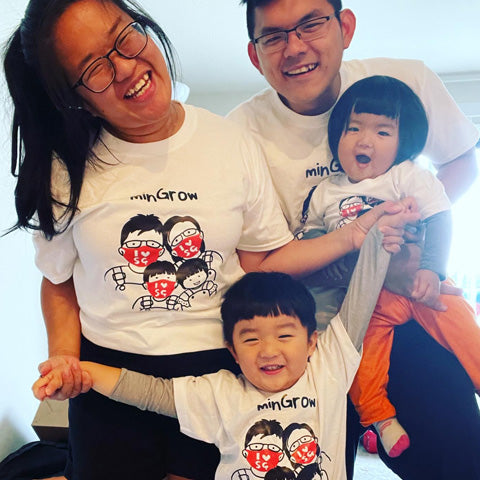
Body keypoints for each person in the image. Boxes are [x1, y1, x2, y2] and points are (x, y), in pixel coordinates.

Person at [4, 1, 406, 479]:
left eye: (124, 37)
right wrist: (65, 357)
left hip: (218, 373)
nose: (124, 67)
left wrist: (354, 235)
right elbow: (58, 280)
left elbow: (264, 262)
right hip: (109, 379)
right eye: (93, 68)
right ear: (75, 97)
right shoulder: (64, 169)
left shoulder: (231, 142)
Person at [228, 1, 480, 478]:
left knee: (455, 453)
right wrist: (354, 251)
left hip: (405, 309)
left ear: (345, 27)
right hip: (313, 327)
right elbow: (257, 262)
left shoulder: (403, 84)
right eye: (274, 36)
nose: (295, 47)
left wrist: (416, 244)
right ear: (254, 54)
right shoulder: (239, 134)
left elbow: (460, 160)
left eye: (311, 23)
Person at [33, 219, 402, 480]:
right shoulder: (221, 393)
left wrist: (379, 240)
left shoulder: (329, 369)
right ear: (233, 350)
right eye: (251, 339)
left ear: (311, 342)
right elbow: (151, 393)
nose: (268, 350)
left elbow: (361, 300)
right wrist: (84, 371)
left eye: (284, 336)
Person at [301, 75, 480, 458]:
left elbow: (439, 217)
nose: (364, 140)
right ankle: (380, 419)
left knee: (462, 327)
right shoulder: (325, 192)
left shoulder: (406, 175)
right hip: (367, 301)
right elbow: (313, 247)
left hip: (419, 284)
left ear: (403, 142)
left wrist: (432, 269)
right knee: (360, 360)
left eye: (383, 132)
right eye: (353, 128)